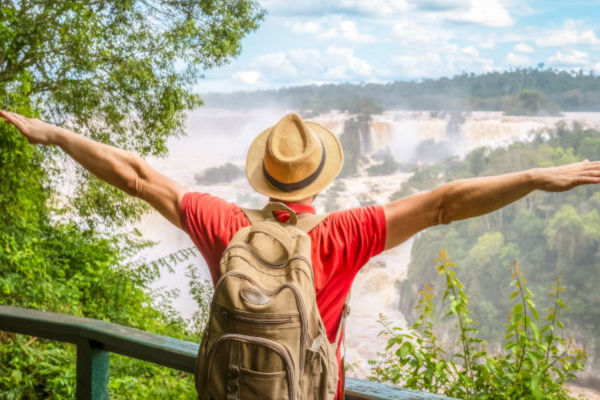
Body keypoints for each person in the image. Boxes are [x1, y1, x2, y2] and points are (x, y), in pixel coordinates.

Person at [1, 109, 600, 399]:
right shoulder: (344, 235)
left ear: (264, 178)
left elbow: (134, 176)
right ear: (322, 180)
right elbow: (445, 203)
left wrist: (53, 134)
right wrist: (536, 176)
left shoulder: (226, 224)